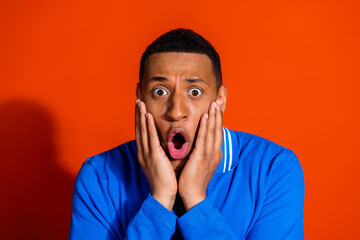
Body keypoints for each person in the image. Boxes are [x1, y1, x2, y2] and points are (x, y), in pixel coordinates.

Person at [69, 28, 304, 240]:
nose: (176, 111)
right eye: (160, 91)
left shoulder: (273, 169)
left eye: (194, 91)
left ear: (220, 99)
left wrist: (195, 198)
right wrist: (160, 199)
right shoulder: (99, 175)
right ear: (140, 98)